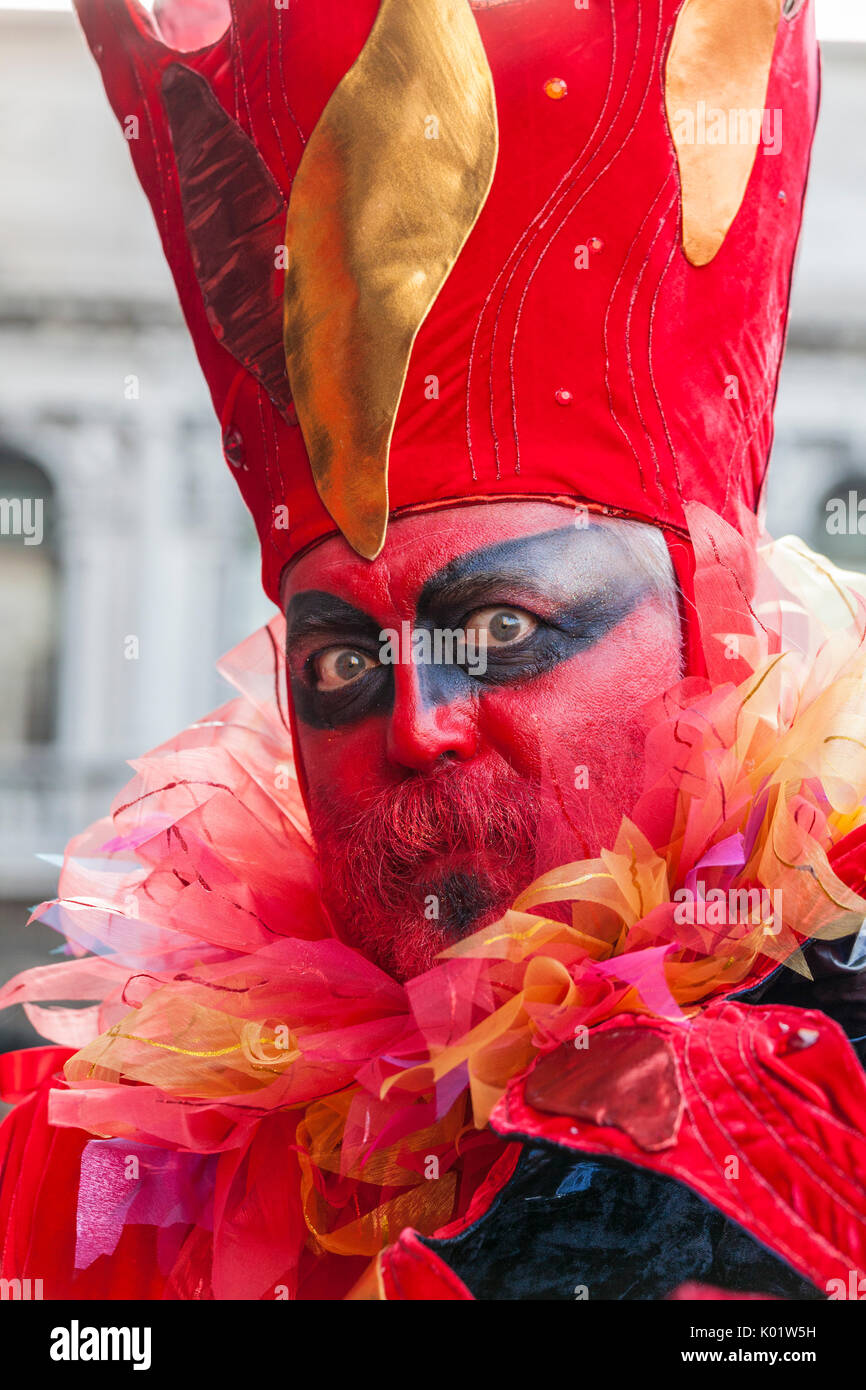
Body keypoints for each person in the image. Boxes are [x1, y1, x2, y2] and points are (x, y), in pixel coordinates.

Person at [2, 0, 866, 1301]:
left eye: (503, 627)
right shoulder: (97, 1172)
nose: (415, 723)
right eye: (343, 659)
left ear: (709, 631)